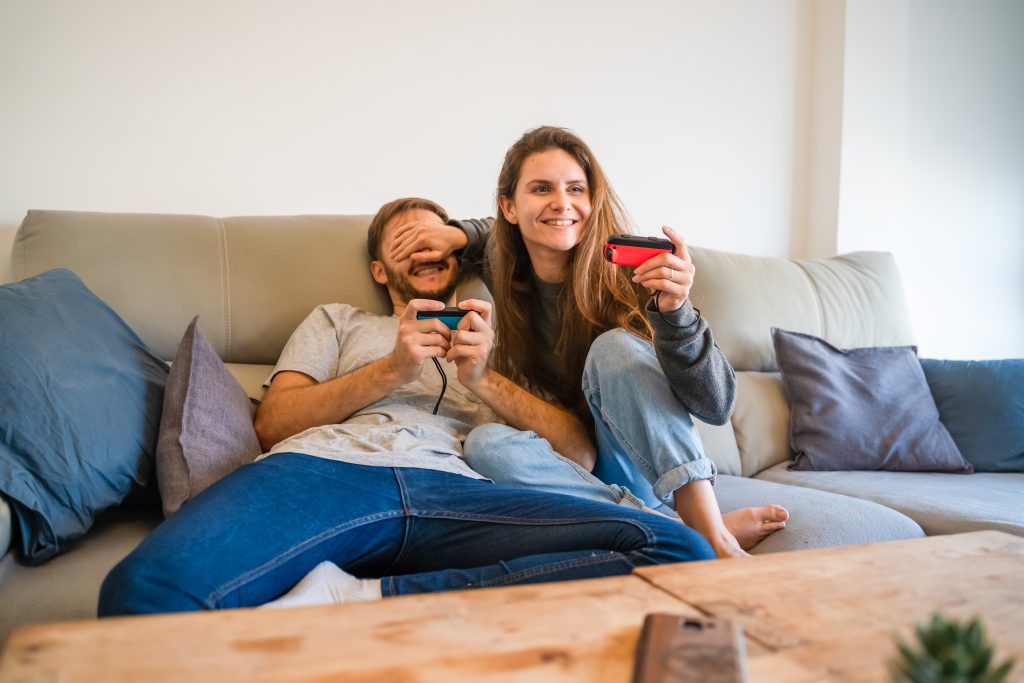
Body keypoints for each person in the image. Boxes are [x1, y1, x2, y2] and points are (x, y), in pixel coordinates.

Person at [98, 197, 715, 616]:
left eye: (434, 237)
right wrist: (391, 368)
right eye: (403, 239)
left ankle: (361, 599)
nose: (423, 247)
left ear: (456, 254)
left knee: (679, 551)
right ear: (378, 266)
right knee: (143, 591)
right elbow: (272, 424)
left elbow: (578, 454)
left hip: (470, 492)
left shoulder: (504, 332)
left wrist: (485, 379)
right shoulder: (338, 321)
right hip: (326, 474)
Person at [388, 127, 789, 558]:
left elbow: (717, 406)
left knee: (614, 347)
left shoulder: (634, 275)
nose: (561, 202)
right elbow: (490, 235)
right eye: (541, 188)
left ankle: (712, 538)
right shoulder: (504, 267)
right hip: (581, 476)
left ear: (592, 200)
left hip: (653, 466)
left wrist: (678, 312)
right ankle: (667, 529)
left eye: (576, 188)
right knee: (487, 444)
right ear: (509, 206)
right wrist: (460, 234)